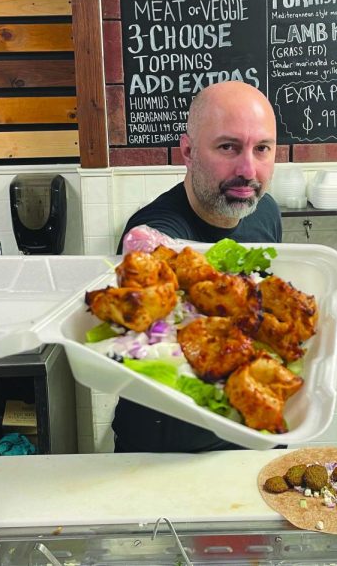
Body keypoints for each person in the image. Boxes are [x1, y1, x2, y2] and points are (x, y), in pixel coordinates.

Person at [112, 80, 282, 453]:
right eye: (228, 147)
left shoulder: (265, 211)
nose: (248, 170)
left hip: (253, 430)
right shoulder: (155, 234)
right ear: (187, 151)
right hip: (166, 447)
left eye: (262, 149)